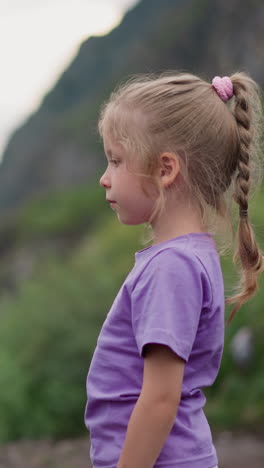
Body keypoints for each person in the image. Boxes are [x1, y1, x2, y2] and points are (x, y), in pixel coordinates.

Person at [85, 71, 264, 468]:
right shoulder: (187, 257)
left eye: (116, 161)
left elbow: (161, 398)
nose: (104, 178)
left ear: (166, 170)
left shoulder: (172, 268)